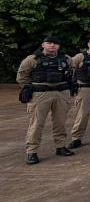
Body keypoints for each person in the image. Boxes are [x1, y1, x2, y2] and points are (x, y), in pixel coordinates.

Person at [16, 36, 76, 164]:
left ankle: (60, 147)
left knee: (60, 122)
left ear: (58, 46)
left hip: (61, 93)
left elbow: (71, 72)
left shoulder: (66, 59)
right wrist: (26, 88)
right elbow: (22, 75)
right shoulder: (32, 59)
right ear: (43, 44)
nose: (52, 45)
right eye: (49, 43)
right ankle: (32, 151)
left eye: (55, 43)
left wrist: (71, 86)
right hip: (40, 93)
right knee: (36, 123)